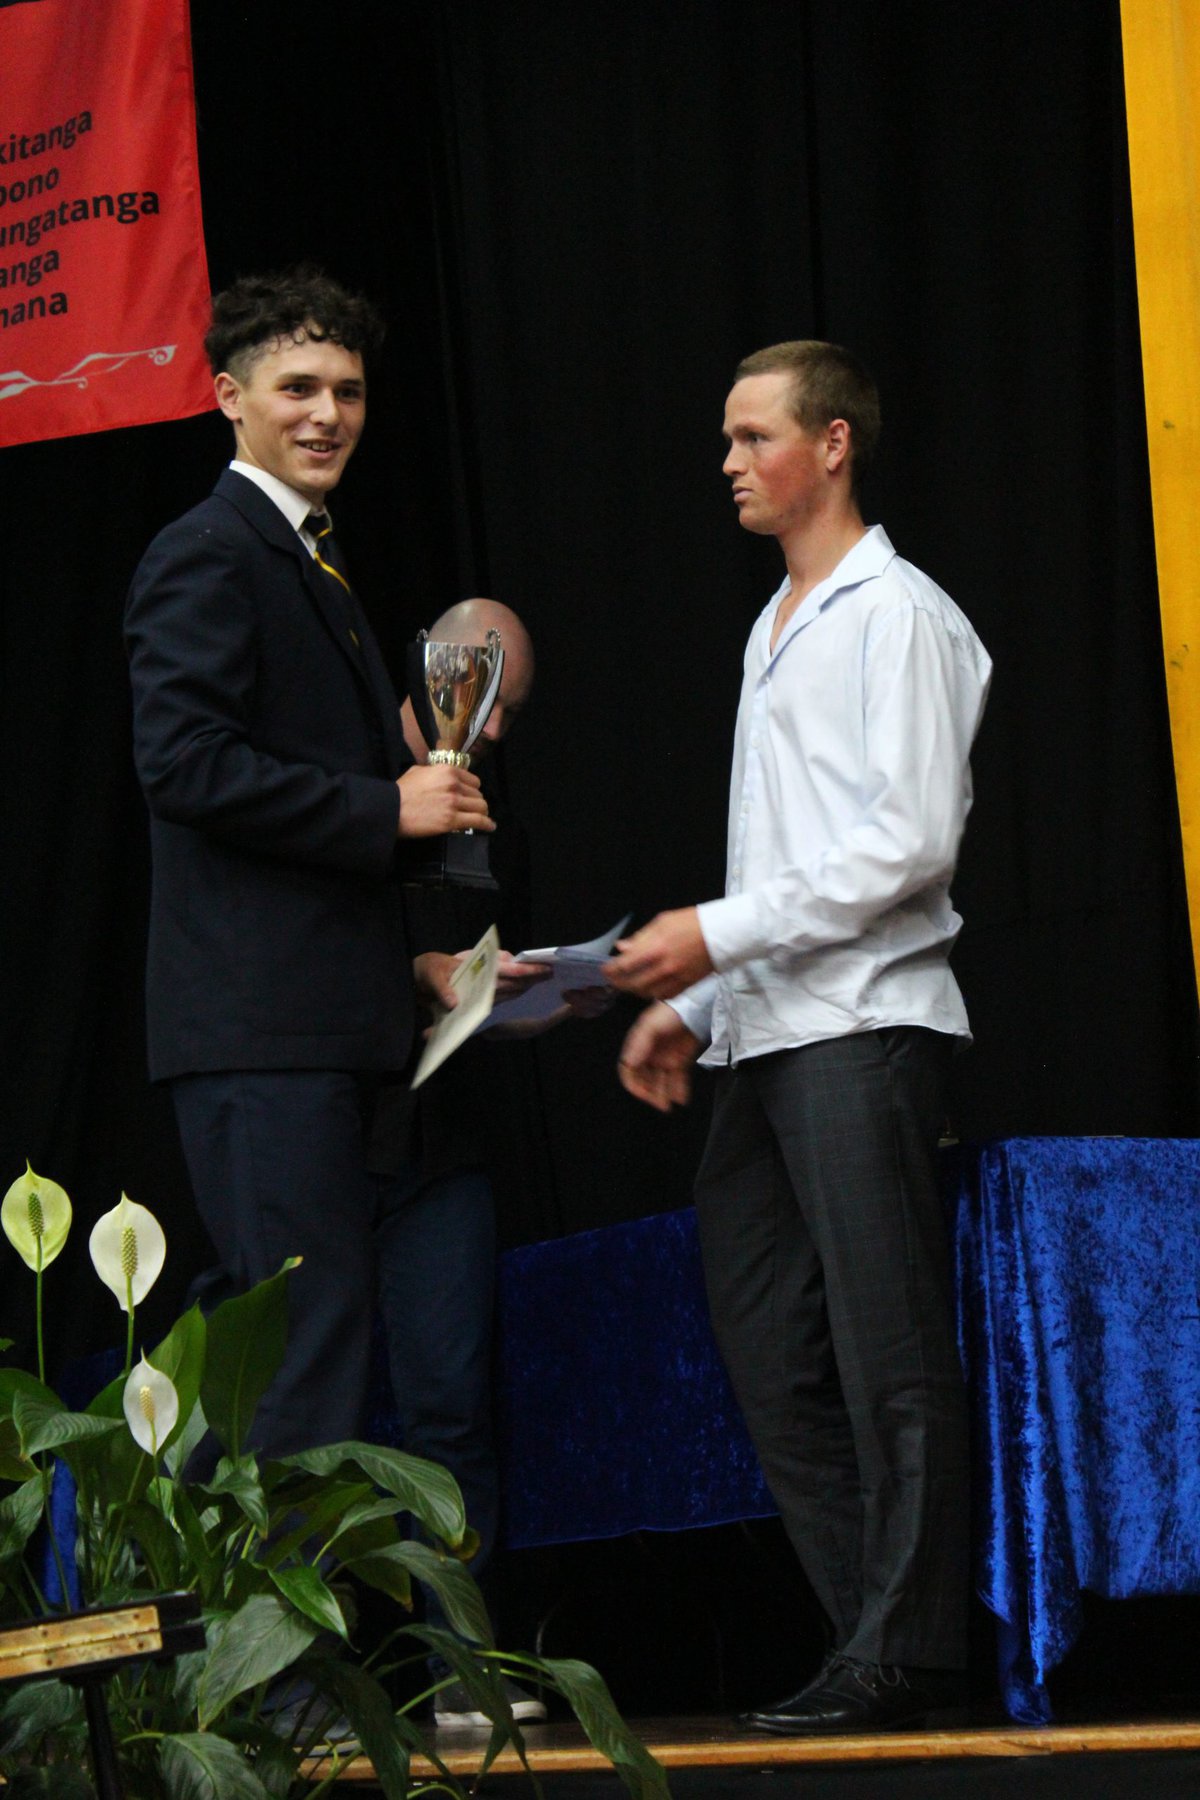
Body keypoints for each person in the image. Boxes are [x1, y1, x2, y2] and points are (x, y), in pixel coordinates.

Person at [606, 341, 991, 1735]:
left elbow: (906, 844)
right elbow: (782, 857)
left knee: (890, 1349)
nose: (729, 462)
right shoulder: (771, 626)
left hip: (865, 1027)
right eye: (726, 438)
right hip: (764, 1040)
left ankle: (912, 1652)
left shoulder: (902, 616)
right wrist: (696, 1001)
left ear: (833, 445)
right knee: (770, 1350)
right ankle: (870, 1640)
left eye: (753, 436)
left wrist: (710, 935)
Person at [125, 267, 491, 1467]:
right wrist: (387, 807)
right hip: (261, 1036)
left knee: (299, 1345)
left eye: (349, 389)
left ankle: (220, 1597)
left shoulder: (308, 556)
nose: (328, 414)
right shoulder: (208, 552)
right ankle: (227, 1609)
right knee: (296, 1358)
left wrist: (410, 961)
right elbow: (184, 766)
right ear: (229, 397)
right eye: (297, 388)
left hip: (320, 1030)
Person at [369, 596, 603, 1728]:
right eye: (488, 697)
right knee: (297, 1402)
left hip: (443, 1141)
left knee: (451, 1408)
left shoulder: (487, 812)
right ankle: (279, 1674)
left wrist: (526, 1001)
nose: (496, 729)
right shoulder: (349, 770)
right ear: (440, 667)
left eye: (510, 709)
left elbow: (471, 971)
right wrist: (412, 975)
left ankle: (467, 1669)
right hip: (329, 1126)